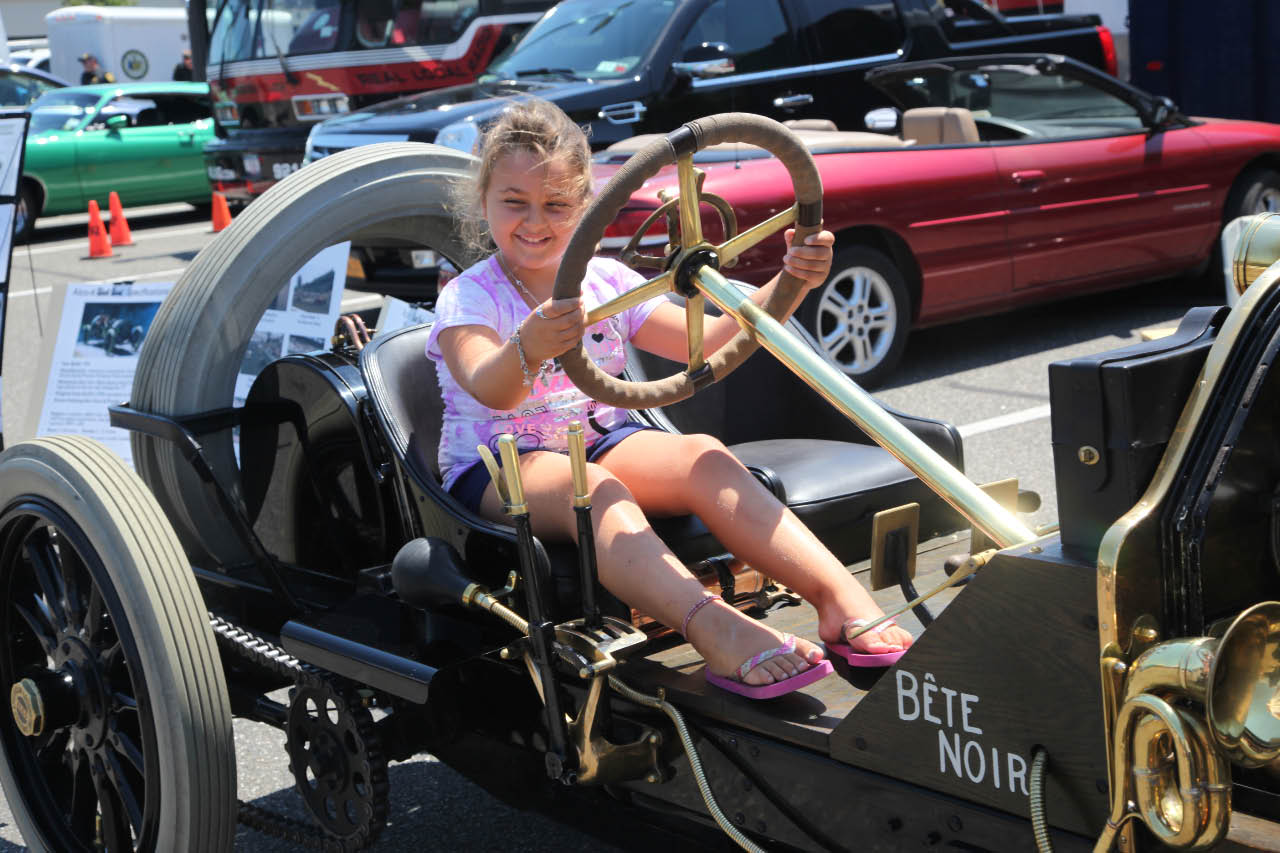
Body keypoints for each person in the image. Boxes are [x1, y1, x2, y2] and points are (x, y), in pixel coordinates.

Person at [426, 99, 914, 699]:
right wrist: (528, 346)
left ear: (586, 207)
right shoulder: (469, 297)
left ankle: (839, 599)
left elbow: (702, 341)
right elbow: (488, 385)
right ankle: (715, 628)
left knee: (702, 454)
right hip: (496, 464)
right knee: (594, 489)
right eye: (514, 202)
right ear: (484, 203)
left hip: (597, 438)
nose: (534, 221)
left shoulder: (605, 281)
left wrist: (791, 281)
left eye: (555, 204)